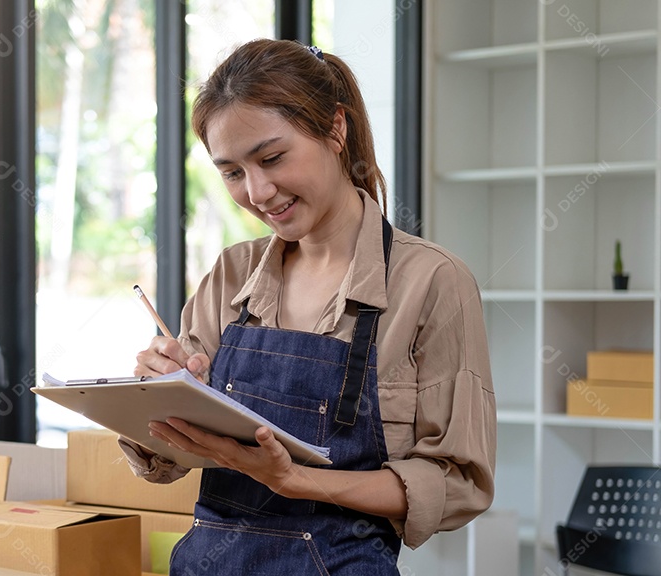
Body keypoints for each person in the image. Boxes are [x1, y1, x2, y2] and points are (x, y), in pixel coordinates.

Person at [120, 39, 496, 575]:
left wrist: (293, 479)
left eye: (272, 158)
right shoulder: (231, 273)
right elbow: (168, 461)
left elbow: (458, 483)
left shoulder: (432, 281)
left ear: (336, 130)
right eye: (232, 172)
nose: (259, 191)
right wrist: (153, 395)